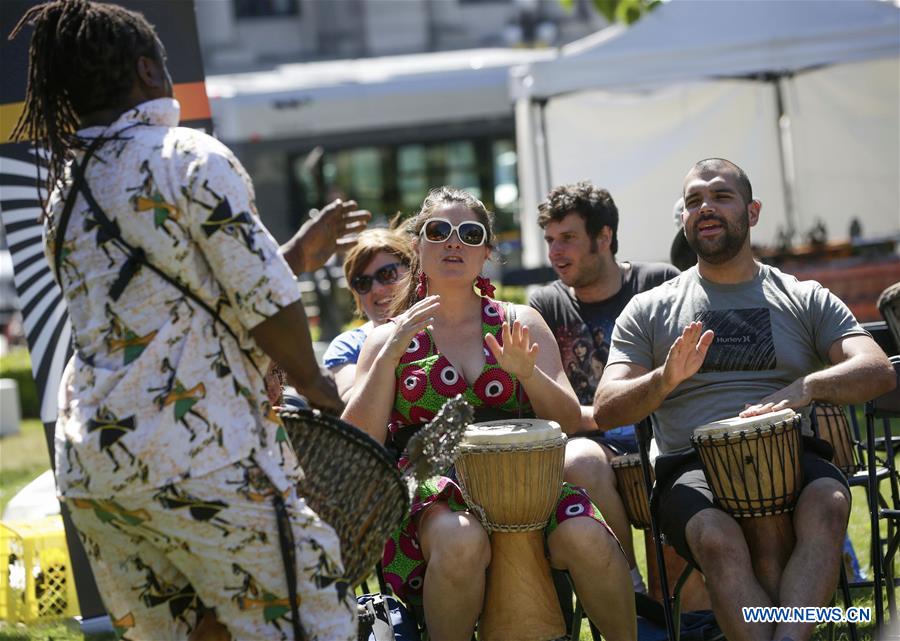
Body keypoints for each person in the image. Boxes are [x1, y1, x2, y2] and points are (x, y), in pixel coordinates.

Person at [10, 2, 366, 638]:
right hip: (200, 453)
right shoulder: (188, 155)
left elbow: (162, 310)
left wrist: (292, 256)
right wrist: (317, 385)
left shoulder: (66, 193)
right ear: (147, 70)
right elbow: (264, 299)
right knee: (313, 622)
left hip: (96, 467)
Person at [595, 157, 896, 641]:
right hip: (691, 466)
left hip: (789, 452)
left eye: (721, 196)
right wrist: (664, 379)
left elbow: (877, 369)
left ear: (752, 212)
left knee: (829, 502)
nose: (705, 208)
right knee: (717, 539)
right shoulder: (649, 309)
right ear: (684, 218)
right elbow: (607, 407)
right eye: (694, 201)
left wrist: (806, 388)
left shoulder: (803, 296)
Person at [342, 187, 636, 641]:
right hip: (430, 489)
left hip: (526, 482)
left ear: (486, 252)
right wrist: (388, 358)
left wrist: (529, 374)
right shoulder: (387, 337)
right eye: (439, 231)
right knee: (460, 540)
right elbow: (357, 441)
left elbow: (567, 420)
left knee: (588, 537)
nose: (453, 242)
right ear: (418, 246)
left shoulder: (521, 321)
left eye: (469, 234)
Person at [529, 181, 679, 593]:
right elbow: (552, 409)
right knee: (578, 461)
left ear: (604, 237)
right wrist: (614, 413)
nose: (555, 251)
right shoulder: (545, 305)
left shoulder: (660, 282)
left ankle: (676, 603)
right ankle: (629, 590)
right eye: (550, 240)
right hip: (594, 441)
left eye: (568, 238)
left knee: (670, 458)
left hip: (664, 431)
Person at [323, 228, 413, 402]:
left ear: (412, 270)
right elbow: (351, 401)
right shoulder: (348, 347)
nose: (376, 289)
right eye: (363, 283)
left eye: (387, 274)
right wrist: (388, 354)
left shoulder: (443, 326)